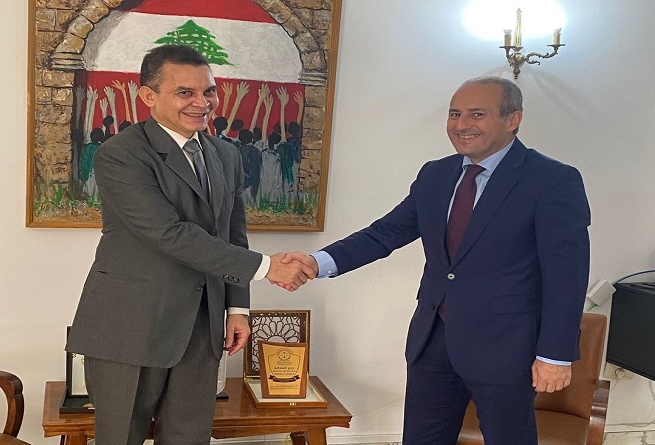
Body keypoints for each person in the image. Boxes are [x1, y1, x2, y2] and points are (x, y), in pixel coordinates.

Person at [280, 76, 590, 444]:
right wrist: (317, 262)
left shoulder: (552, 180)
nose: (462, 125)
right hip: (433, 340)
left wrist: (555, 354)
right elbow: (385, 232)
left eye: (477, 114)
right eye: (455, 114)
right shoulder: (436, 174)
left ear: (513, 119)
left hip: (506, 347)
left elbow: (566, 275)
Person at [66, 44, 312, 445]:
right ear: (148, 96)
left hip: (203, 324)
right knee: (119, 438)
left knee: (190, 438)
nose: (202, 102)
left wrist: (237, 308)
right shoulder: (120, 155)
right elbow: (168, 233)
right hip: (130, 326)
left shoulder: (226, 154)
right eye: (185, 92)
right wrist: (268, 267)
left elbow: (232, 234)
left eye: (208, 91)